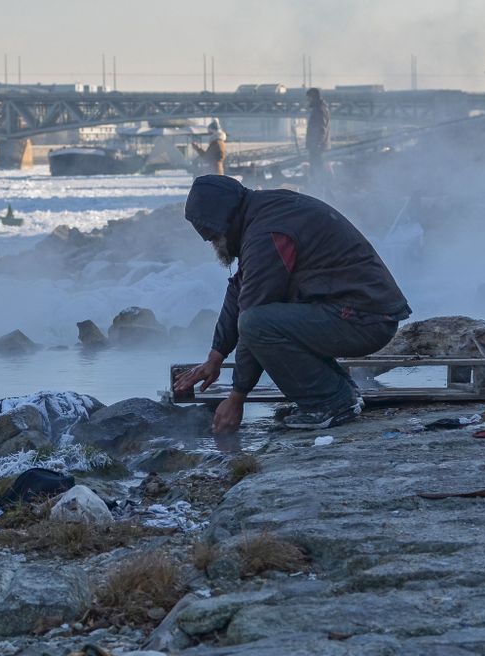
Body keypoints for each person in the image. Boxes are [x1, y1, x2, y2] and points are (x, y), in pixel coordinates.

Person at [173, 175, 411, 433]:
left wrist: (236, 398)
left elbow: (252, 319)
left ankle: (332, 403)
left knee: (256, 324)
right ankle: (338, 392)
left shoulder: (267, 234)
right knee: (261, 321)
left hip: (365, 320)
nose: (214, 245)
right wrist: (216, 355)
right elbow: (240, 289)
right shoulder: (262, 212)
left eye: (214, 237)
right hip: (359, 313)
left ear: (225, 222)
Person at [305, 88, 330, 178]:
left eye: (309, 98)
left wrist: (316, 145)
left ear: (313, 97)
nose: (308, 100)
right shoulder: (320, 108)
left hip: (317, 148)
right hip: (317, 147)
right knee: (318, 171)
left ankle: (318, 186)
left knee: (317, 171)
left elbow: (321, 129)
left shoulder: (319, 110)